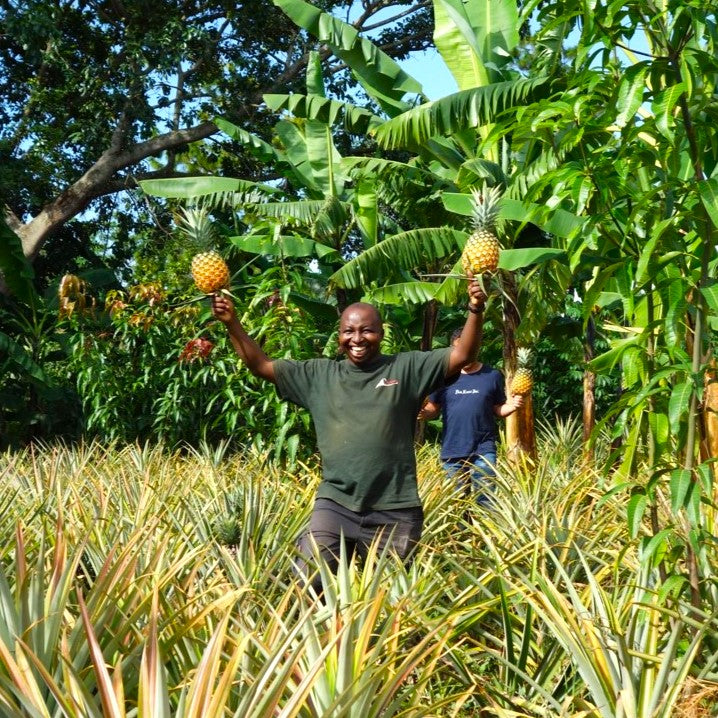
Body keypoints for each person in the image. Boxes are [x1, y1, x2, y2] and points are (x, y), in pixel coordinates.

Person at [210, 281, 486, 593]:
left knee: (388, 598)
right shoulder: (319, 376)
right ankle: (318, 639)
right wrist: (231, 322)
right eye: (348, 331)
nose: (357, 339)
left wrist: (475, 308)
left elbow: (463, 354)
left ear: (381, 334)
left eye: (367, 331)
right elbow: (260, 365)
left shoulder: (407, 367)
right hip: (336, 503)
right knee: (308, 582)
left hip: (394, 506)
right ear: (339, 336)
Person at [419, 328, 524, 505]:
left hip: (483, 449)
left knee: (486, 500)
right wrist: (422, 412)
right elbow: (433, 409)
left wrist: (512, 407)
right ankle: (461, 533)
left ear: (476, 347)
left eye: (468, 349)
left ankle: (485, 532)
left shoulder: (492, 376)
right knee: (457, 503)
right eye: (458, 349)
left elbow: (497, 409)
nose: (463, 354)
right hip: (452, 449)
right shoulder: (444, 377)